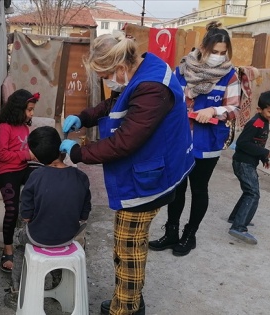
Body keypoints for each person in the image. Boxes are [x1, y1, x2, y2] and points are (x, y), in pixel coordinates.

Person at [60, 32, 194, 315]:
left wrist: (78, 153)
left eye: (107, 73)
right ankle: (133, 299)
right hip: (154, 164)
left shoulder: (152, 88)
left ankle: (125, 308)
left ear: (120, 65)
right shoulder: (144, 68)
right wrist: (84, 117)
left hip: (153, 176)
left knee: (128, 247)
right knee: (131, 243)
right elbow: (117, 104)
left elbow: (125, 142)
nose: (107, 80)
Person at [148, 21, 240, 257]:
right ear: (203, 47)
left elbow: (234, 108)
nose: (218, 57)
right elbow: (168, 97)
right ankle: (171, 233)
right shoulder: (182, 69)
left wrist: (215, 111)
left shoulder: (230, 76)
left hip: (207, 142)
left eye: (223, 53)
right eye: (214, 52)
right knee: (177, 188)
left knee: (199, 189)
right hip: (180, 138)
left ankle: (190, 235)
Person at [9, 126, 91, 293]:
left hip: (38, 237)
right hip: (69, 237)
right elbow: (84, 215)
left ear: (37, 157)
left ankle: (17, 288)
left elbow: (26, 217)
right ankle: (58, 280)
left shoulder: (36, 177)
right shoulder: (81, 177)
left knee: (18, 242)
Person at [0, 89, 40, 273]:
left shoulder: (24, 127)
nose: (31, 114)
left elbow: (25, 151)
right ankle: (7, 249)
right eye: (29, 110)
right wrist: (26, 154)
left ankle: (39, 237)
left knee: (45, 180)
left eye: (32, 110)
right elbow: (2, 155)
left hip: (22, 167)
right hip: (6, 171)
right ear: (17, 109)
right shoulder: (3, 128)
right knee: (12, 209)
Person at [227, 91, 270, 244]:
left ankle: (235, 218)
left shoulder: (264, 122)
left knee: (249, 191)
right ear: (259, 110)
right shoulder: (256, 123)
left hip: (249, 162)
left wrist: (263, 157)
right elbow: (243, 143)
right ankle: (239, 227)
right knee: (253, 193)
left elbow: (256, 143)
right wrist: (264, 152)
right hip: (243, 163)